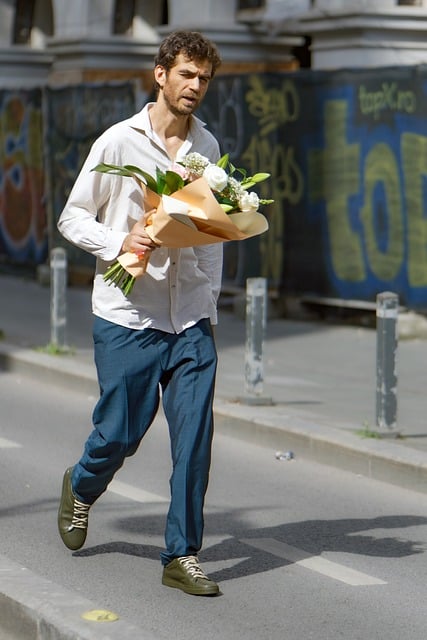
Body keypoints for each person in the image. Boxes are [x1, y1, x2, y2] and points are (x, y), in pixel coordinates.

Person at [57, 30, 223, 597]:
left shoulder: (208, 149)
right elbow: (72, 218)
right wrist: (120, 243)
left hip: (191, 319)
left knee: (195, 439)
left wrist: (211, 303)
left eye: (203, 78)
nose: (195, 86)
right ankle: (81, 485)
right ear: (160, 74)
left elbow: (212, 234)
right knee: (119, 435)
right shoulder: (119, 143)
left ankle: (181, 555)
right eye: (186, 75)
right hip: (129, 314)